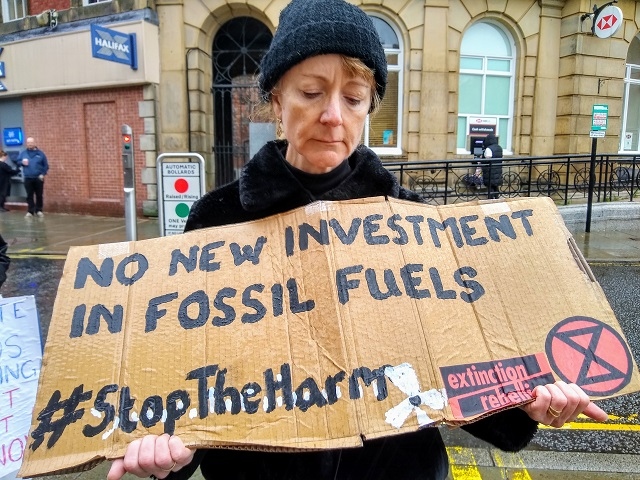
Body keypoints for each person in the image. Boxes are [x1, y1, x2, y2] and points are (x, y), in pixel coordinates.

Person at [107, 1, 608, 479]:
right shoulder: (216, 220)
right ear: (276, 100)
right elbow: (190, 389)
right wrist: (166, 454)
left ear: (369, 106)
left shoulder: (414, 222)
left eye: (352, 98)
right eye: (311, 92)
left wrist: (524, 403)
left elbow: (458, 369)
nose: (333, 115)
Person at [18, 137, 49, 218]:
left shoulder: (40, 154)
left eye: (31, 142)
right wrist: (22, 162)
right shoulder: (23, 153)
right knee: (29, 195)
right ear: (26, 143)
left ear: (35, 143)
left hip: (38, 178)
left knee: (39, 195)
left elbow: (46, 165)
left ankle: (39, 210)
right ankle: (30, 211)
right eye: (28, 143)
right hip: (28, 177)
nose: (30, 144)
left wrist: (43, 174)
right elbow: (18, 162)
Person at [476, 133, 503, 199]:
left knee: (490, 186)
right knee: (495, 186)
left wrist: (481, 160)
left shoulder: (488, 149)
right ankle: (496, 199)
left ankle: (490, 200)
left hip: (490, 171)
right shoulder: (499, 148)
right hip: (498, 170)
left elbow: (487, 159)